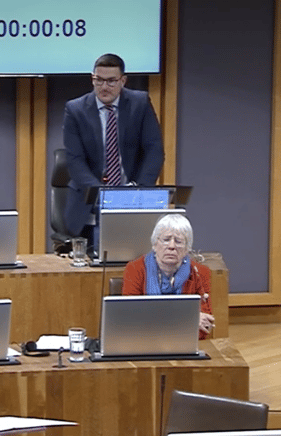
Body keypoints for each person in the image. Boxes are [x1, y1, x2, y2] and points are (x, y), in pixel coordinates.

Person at [63, 53, 164, 241]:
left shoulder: (139, 103)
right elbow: (74, 160)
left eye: (111, 81)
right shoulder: (75, 110)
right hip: (89, 203)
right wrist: (105, 196)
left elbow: (154, 151)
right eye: (98, 80)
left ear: (123, 81)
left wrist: (136, 192)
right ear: (92, 79)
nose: (104, 87)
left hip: (133, 200)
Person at [121, 214, 214, 339]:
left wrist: (152, 320)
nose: (172, 246)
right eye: (166, 240)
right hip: (143, 341)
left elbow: (204, 327)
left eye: (179, 241)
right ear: (154, 244)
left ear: (187, 248)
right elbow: (130, 319)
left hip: (184, 345)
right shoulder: (135, 269)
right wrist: (188, 320)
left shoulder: (200, 272)